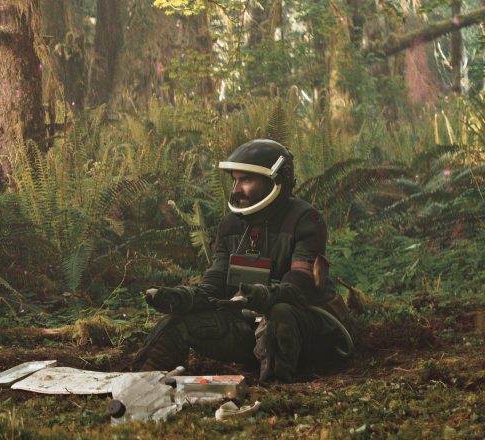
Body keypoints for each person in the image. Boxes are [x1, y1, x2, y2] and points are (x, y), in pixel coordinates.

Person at [132, 139, 351, 383]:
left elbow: (300, 287)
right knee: (175, 322)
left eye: (246, 180)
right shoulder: (230, 225)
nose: (236, 189)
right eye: (234, 180)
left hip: (307, 331)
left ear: (277, 180)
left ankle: (276, 391)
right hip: (250, 330)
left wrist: (264, 295)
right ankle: (141, 385)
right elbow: (214, 283)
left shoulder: (305, 219)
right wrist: (184, 297)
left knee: (280, 314)